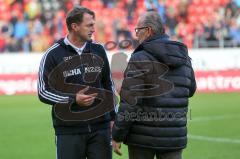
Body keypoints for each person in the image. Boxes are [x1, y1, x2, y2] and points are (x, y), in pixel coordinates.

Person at [112, 11, 196, 159]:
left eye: (138, 30)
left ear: (148, 31)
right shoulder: (183, 56)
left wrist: (117, 135)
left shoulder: (140, 58)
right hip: (174, 136)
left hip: (142, 139)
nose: (136, 34)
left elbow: (130, 103)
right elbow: (190, 90)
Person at [37, 6, 116, 159]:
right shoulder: (53, 54)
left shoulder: (99, 50)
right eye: (89, 25)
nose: (94, 28)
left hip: (101, 129)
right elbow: (43, 91)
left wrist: (113, 118)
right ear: (75, 26)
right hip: (68, 131)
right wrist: (73, 99)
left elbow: (108, 85)